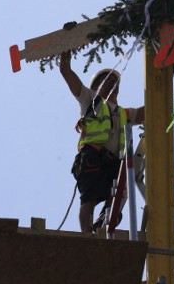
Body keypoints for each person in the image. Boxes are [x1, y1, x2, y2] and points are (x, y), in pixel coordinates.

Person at [59, 38, 144, 235]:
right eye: (107, 80)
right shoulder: (90, 100)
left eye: (115, 81)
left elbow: (146, 112)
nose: (113, 83)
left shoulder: (123, 113)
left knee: (123, 188)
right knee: (88, 199)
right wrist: (65, 51)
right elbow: (67, 73)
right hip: (92, 156)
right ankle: (87, 235)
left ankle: (107, 215)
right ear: (96, 85)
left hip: (113, 161)